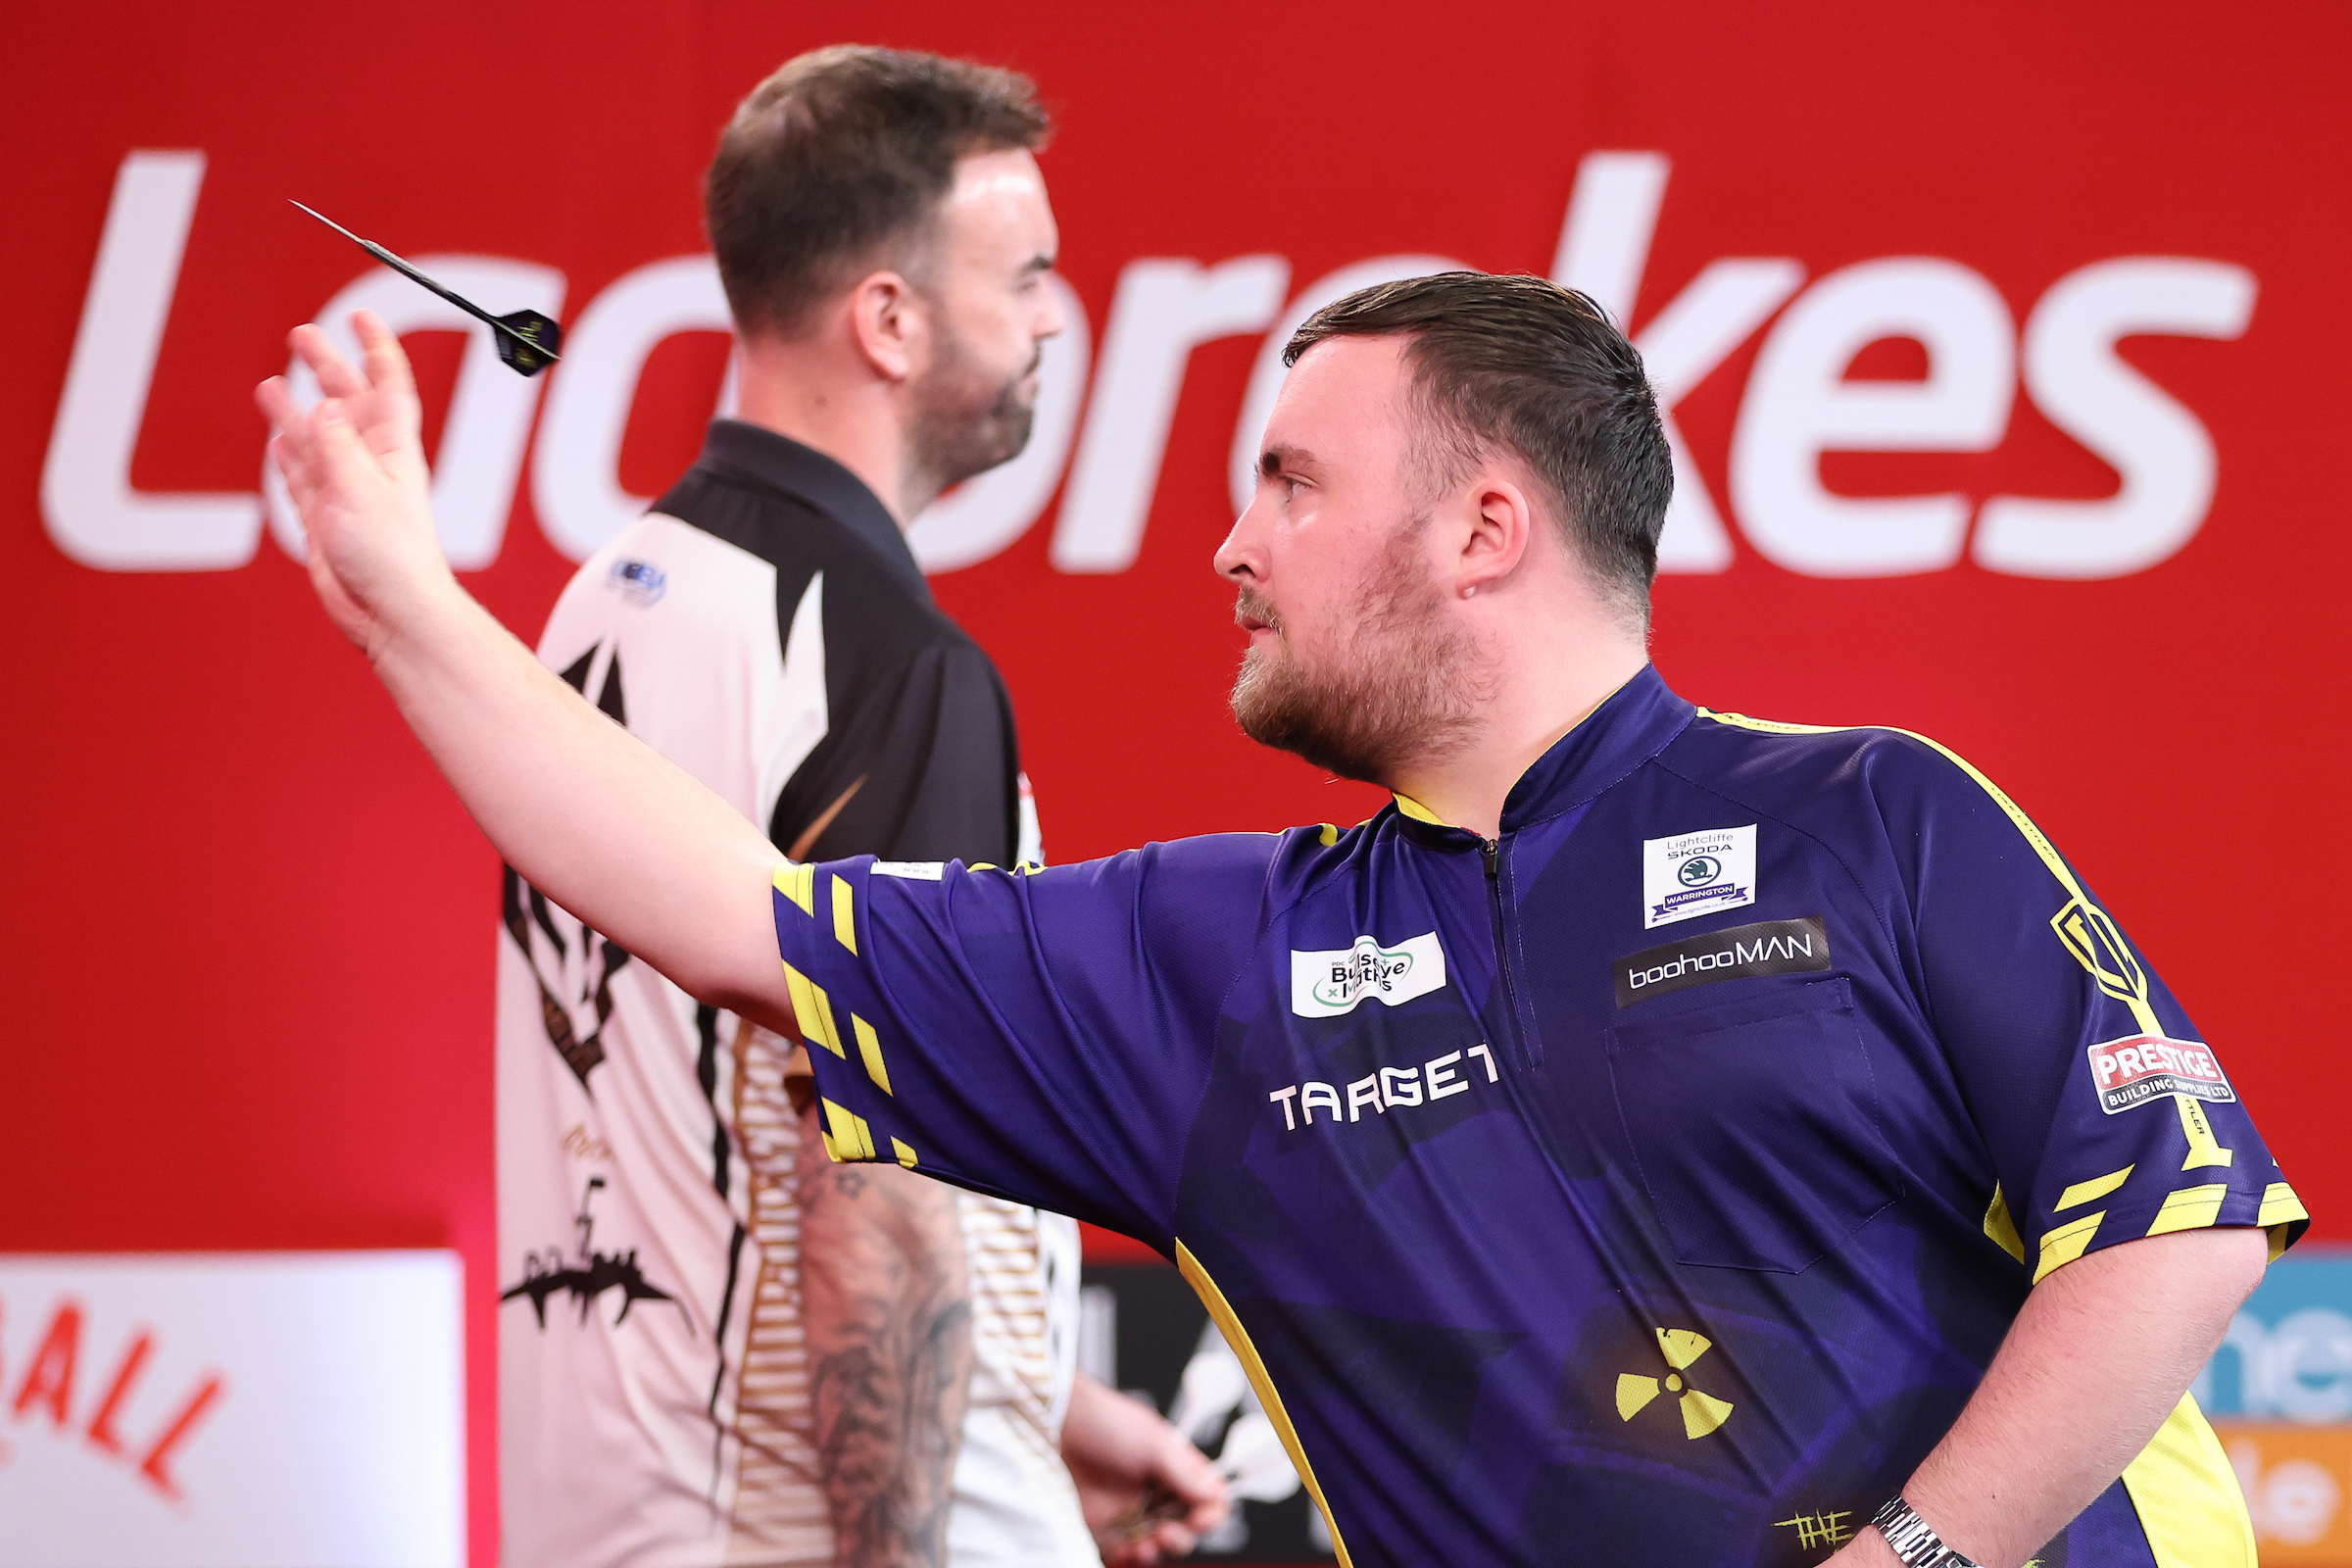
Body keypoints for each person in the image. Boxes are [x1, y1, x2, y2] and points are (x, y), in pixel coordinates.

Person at [260, 270, 2305, 1568]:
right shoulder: (1207, 963)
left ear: (1486, 526)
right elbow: (732, 909)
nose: (1229, 544)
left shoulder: (1877, 810)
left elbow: (2181, 1220)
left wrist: (1922, 1559)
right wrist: (399, 596)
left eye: (1295, 485)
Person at [485, 46, 1221, 1568]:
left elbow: (702, 1149)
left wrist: (1034, 1399)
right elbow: (864, 1192)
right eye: (1023, 275)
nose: (1051, 318)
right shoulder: (884, 660)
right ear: (888, 320)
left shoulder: (608, 600)